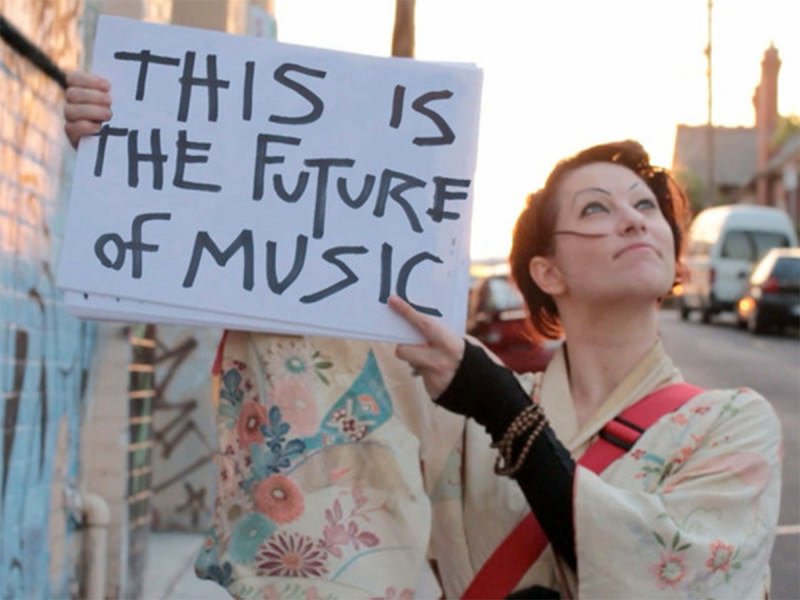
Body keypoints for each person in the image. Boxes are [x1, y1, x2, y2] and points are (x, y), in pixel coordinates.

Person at [65, 71, 781, 599]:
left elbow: (688, 580)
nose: (634, 219)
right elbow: (303, 301)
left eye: (648, 207)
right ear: (546, 270)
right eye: (596, 209)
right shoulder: (457, 417)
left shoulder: (732, 425)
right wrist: (130, 146)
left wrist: (505, 409)